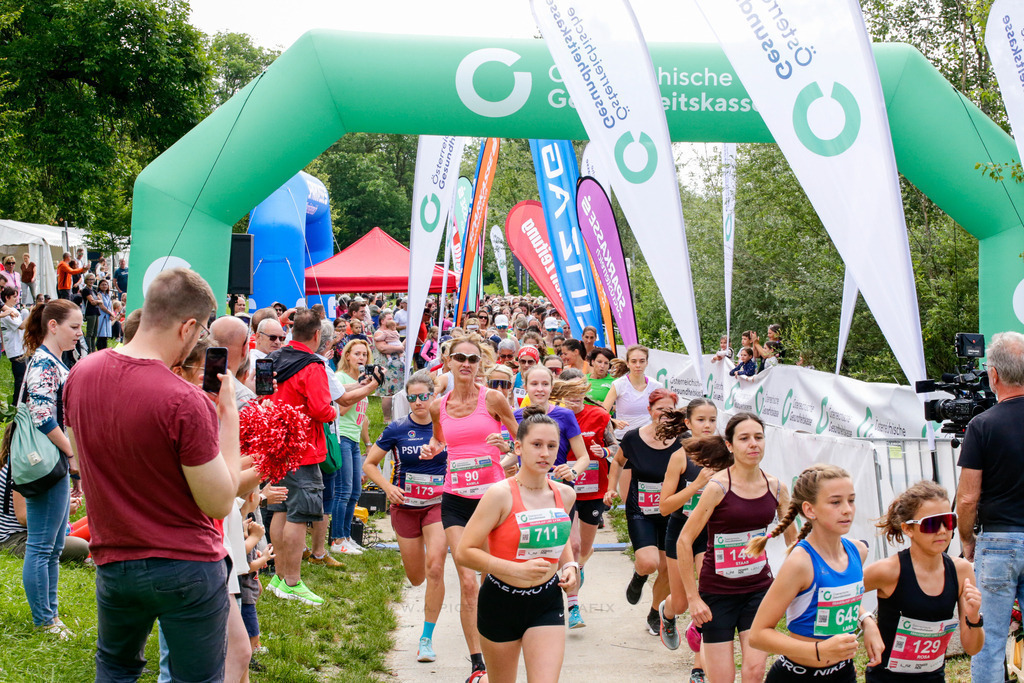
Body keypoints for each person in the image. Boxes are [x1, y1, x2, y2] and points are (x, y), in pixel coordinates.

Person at [64, 268, 241, 681]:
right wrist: (227, 418)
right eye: (199, 337)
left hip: (114, 559)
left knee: (115, 669)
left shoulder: (81, 374)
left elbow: (81, 457)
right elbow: (218, 500)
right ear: (189, 326)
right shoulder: (184, 399)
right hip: (186, 565)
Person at [419, 336, 520, 682]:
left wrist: (506, 445)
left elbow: (522, 440)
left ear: (480, 364)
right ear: (448, 361)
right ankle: (478, 663)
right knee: (467, 580)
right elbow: (440, 440)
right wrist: (432, 450)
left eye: (472, 359)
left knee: (490, 578)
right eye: (459, 357)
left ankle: (500, 648)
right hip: (456, 500)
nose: (466, 363)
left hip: (491, 501)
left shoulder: (493, 398)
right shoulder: (437, 406)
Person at [454, 405, 579, 683]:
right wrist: (515, 570)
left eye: (551, 445)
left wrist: (569, 564)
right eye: (536, 444)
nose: (545, 453)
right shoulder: (499, 495)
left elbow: (559, 534)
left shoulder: (566, 495)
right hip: (500, 602)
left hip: (546, 601)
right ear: (518, 447)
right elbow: (464, 552)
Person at [678, 413, 795, 683]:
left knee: (754, 672)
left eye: (758, 437)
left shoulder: (776, 488)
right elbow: (684, 541)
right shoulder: (718, 486)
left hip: (758, 590)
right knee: (723, 678)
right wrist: (694, 599)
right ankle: (702, 642)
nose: (753, 444)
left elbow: (793, 541)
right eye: (744, 438)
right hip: (717, 594)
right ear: (730, 446)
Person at [747, 465, 873, 682]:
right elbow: (758, 635)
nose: (847, 509)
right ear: (810, 510)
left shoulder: (858, 551)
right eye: (835, 502)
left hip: (844, 674)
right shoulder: (800, 564)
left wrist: (867, 620)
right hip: (797, 676)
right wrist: (818, 650)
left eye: (850, 500)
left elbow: (841, 595)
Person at [2, 300, 82, 637]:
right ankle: (45, 620)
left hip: (52, 463)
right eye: (74, 327)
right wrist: (73, 458)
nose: (80, 333)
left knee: (52, 546)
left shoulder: (53, 361)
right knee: (42, 545)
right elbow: (42, 417)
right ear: (53, 326)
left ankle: (50, 616)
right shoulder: (44, 363)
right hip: (45, 463)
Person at [364, 371, 449, 663]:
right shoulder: (398, 428)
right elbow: (370, 464)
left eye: (424, 396)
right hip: (405, 506)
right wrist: (387, 488)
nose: (418, 403)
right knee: (416, 577)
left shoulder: (446, 427)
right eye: (411, 398)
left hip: (438, 505)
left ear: (433, 396)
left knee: (436, 567)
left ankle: (426, 638)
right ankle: (421, 557)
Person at [863, 480, 983, 681]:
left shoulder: (961, 570)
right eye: (932, 524)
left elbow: (973, 648)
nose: (943, 530)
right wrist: (866, 620)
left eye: (949, 521)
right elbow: (845, 592)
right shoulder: (889, 570)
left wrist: (974, 617)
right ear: (908, 529)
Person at [956, 331, 1024, 682]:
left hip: (998, 541)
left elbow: (967, 497)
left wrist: (967, 541)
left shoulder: (982, 426)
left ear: (993, 375)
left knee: (990, 638)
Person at [265, 309, 339, 604]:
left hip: (273, 445)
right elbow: (322, 410)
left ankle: (280, 578)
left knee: (280, 510)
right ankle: (293, 583)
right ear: (317, 335)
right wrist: (334, 411)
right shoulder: (313, 366)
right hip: (303, 451)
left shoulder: (271, 358)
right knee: (298, 515)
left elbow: (260, 395)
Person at [604, 388, 680, 637]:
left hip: (672, 513)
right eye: (660, 409)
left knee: (668, 569)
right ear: (649, 411)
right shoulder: (634, 438)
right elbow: (617, 461)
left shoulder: (684, 440)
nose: (665, 415)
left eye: (670, 410)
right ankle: (639, 574)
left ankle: (655, 613)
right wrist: (611, 488)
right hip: (642, 510)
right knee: (649, 562)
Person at [654, 398, 718, 681]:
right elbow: (664, 507)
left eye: (712, 420)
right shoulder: (679, 457)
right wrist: (696, 486)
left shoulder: (725, 454)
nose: (707, 425)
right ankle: (666, 613)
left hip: (711, 534)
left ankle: (698, 668)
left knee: (706, 600)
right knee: (681, 603)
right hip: (680, 531)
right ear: (688, 424)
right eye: (701, 420)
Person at [553, 370, 616, 630]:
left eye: (579, 390)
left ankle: (578, 568)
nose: (574, 397)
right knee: (573, 546)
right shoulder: (552, 416)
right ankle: (574, 606)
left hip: (592, 489)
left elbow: (615, 446)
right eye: (568, 392)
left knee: (585, 549)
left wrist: (606, 451)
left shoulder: (600, 415)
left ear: (586, 390)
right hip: (562, 489)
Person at [331, 339, 374, 556]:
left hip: (354, 439)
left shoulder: (360, 381)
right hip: (342, 437)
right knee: (343, 490)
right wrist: (365, 389)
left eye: (364, 355)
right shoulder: (341, 379)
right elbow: (341, 410)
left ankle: (347, 536)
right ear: (347, 356)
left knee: (355, 490)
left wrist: (367, 443)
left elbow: (362, 417)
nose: (361, 358)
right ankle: (337, 539)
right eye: (357, 354)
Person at [602, 344, 658, 439]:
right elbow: (602, 413)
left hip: (648, 439)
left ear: (647, 363)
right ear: (628, 363)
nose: (638, 365)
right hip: (623, 439)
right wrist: (613, 421)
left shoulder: (656, 385)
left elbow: (663, 413)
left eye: (642, 361)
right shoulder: (619, 384)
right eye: (633, 361)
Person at [374, 310, 405, 423]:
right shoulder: (379, 333)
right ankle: (387, 419)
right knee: (388, 392)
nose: (392, 320)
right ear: (382, 321)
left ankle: (397, 416)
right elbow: (383, 348)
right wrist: (399, 348)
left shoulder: (393, 331)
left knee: (397, 392)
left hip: (398, 368)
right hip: (387, 368)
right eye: (389, 318)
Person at [0, 286, 26, 403]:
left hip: (20, 348)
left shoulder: (12, 311)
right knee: (20, 379)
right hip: (15, 350)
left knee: (23, 378)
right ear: (7, 297)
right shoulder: (7, 313)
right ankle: (16, 404)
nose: (17, 299)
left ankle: (20, 402)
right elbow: (21, 326)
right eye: (14, 297)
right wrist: (32, 314)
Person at [93, 279, 115, 350]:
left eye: (106, 284)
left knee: (106, 335)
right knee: (101, 334)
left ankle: (104, 348)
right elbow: (102, 306)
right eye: (102, 284)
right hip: (102, 316)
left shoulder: (108, 295)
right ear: (99, 286)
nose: (104, 286)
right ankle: (99, 348)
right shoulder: (99, 294)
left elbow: (111, 305)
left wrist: (112, 314)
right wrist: (110, 313)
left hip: (108, 316)